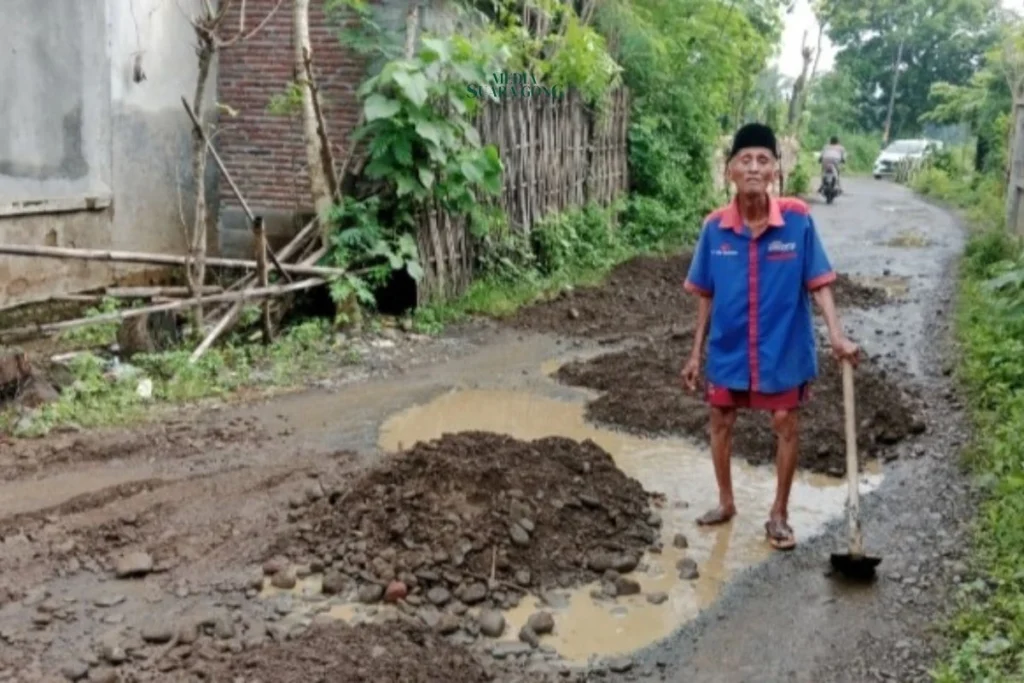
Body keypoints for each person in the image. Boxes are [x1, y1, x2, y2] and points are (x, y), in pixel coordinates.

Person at [680, 122, 860, 551]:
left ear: (776, 170)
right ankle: (726, 503)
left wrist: (837, 335)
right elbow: (705, 294)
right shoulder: (714, 229)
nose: (754, 168)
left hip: (783, 347)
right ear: (730, 172)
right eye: (746, 160)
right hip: (730, 348)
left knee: (784, 421)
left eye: (763, 160)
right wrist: (694, 353)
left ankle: (779, 513)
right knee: (720, 419)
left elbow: (819, 281)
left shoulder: (797, 220)